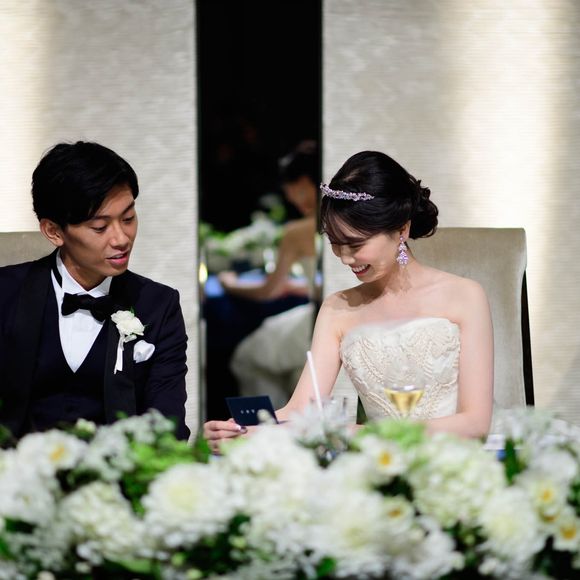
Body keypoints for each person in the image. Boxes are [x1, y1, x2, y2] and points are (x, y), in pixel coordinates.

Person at [204, 150, 494, 450]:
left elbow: (475, 424)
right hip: (375, 463)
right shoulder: (336, 308)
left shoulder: (465, 296)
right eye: (336, 243)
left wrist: (357, 433)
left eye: (355, 244)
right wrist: (239, 430)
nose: (345, 258)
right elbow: (302, 409)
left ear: (401, 229)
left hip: (454, 458)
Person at [0, 141, 189, 440]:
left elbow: (167, 426)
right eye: (100, 227)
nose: (121, 239)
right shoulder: (6, 292)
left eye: (128, 219)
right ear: (54, 231)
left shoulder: (158, 305)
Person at [226, 141, 321, 408]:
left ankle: (266, 423)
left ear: (304, 183)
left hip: (318, 319)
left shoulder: (296, 232)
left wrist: (230, 284)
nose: (291, 198)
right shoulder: (348, 224)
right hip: (325, 311)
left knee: (246, 357)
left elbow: (269, 291)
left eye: (292, 190)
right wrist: (300, 287)